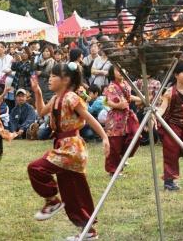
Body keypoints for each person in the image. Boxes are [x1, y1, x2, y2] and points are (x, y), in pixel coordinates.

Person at [27, 62, 110, 241]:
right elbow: (41, 111)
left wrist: (104, 137)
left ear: (65, 80)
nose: (49, 79)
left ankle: (52, 201)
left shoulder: (71, 97)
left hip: (71, 149)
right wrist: (37, 92)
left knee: (36, 168)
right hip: (63, 147)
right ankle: (88, 231)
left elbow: (88, 118)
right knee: (74, 193)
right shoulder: (56, 98)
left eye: (53, 76)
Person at [157, 61, 183, 191]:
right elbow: (162, 108)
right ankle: (169, 182)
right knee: (171, 152)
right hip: (172, 125)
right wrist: (155, 115)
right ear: (176, 75)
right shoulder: (169, 92)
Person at [104, 65, 141, 176]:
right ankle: (113, 170)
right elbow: (108, 101)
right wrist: (118, 105)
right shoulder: (111, 87)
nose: (121, 71)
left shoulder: (126, 84)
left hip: (128, 115)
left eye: (122, 69)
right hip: (116, 118)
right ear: (112, 72)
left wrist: (142, 98)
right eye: (117, 70)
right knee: (115, 144)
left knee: (136, 135)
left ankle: (123, 157)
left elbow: (129, 98)